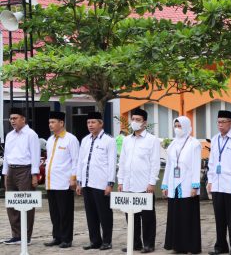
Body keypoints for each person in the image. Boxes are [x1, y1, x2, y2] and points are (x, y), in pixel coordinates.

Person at [117, 108, 160, 254]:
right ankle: (135, 243)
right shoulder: (127, 140)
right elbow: (122, 162)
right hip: (129, 184)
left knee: (147, 217)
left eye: (138, 120)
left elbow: (155, 163)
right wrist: (121, 181)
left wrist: (152, 182)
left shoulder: (152, 140)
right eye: (133, 119)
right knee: (131, 216)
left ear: (145, 122)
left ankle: (148, 244)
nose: (134, 122)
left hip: (144, 185)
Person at [207, 110, 231, 255]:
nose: (220, 125)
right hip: (217, 185)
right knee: (219, 218)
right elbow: (212, 162)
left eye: (224, 122)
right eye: (218, 122)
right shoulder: (215, 139)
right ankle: (220, 246)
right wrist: (210, 180)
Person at [76, 111, 117, 251]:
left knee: (104, 214)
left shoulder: (109, 140)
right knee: (91, 214)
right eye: (88, 122)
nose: (90, 125)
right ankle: (95, 240)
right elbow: (81, 162)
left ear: (101, 123)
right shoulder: (85, 140)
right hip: (87, 183)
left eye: (93, 122)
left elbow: (112, 163)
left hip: (101, 184)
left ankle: (107, 241)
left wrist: (110, 183)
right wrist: (79, 182)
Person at [161, 116, 202, 254]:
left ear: (186, 126)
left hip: (187, 185)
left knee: (188, 215)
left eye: (180, 126)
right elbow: (169, 166)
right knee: (175, 216)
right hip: (174, 185)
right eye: (176, 126)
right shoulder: (173, 144)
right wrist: (165, 185)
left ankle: (190, 246)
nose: (177, 129)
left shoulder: (194, 143)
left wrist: (195, 186)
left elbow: (196, 165)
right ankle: (177, 245)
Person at [2, 107, 40, 245]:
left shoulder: (31, 134)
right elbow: (6, 156)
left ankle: (26, 236)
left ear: (23, 119)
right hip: (11, 170)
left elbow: (36, 155)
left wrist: (35, 175)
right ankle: (16, 235)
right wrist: (5, 175)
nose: (12, 121)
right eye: (11, 118)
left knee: (26, 203)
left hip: (25, 170)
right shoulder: (9, 135)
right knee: (11, 204)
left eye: (15, 118)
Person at [44, 111, 80, 248]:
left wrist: (73, 179)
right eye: (49, 122)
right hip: (51, 182)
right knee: (54, 213)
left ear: (61, 123)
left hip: (64, 183)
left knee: (65, 212)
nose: (50, 125)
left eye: (53, 122)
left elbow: (76, 161)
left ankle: (66, 238)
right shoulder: (50, 140)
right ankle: (57, 237)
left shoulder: (71, 139)